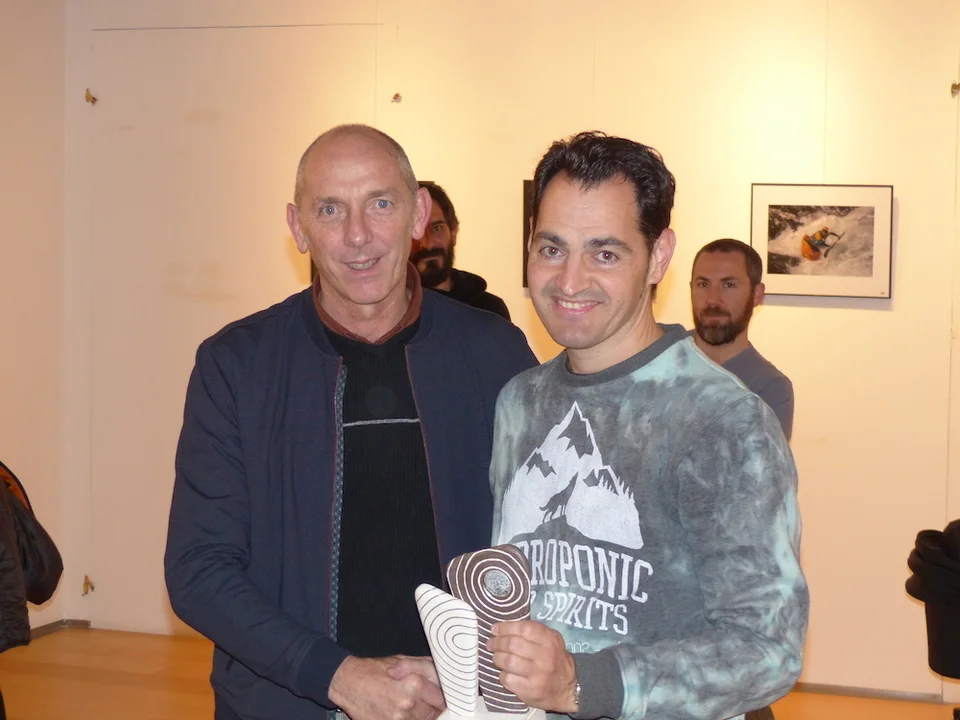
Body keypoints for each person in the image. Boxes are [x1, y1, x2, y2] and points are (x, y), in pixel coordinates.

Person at [164, 123, 539, 720]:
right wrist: (337, 676)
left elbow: (542, 545)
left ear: (419, 214)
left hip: (462, 702)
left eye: (380, 204)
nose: (357, 235)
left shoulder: (495, 354)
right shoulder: (237, 365)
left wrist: (473, 671)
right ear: (298, 227)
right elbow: (198, 569)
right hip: (287, 702)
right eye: (330, 209)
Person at [486, 131, 809, 720]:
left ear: (659, 257)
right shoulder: (519, 403)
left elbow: (767, 649)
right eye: (551, 248)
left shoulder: (722, 420)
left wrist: (581, 684)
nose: (569, 280)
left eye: (605, 254)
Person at [690, 238, 795, 441]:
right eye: (703, 284)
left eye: (728, 285)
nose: (712, 299)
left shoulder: (769, 388)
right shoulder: (660, 354)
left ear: (756, 294)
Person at [410, 181, 512, 320]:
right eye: (416, 230)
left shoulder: (491, 310)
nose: (427, 244)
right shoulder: (393, 313)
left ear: (453, 232)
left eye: (436, 229)